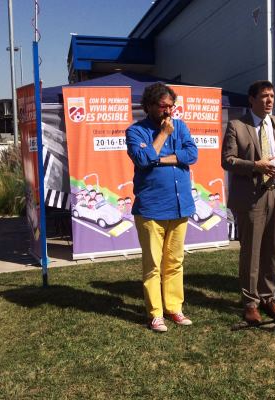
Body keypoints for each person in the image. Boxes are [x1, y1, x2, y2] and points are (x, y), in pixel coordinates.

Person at [221, 80, 275, 324]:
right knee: (252, 252)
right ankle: (250, 303)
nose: (269, 100)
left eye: (272, 96)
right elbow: (228, 160)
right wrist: (256, 166)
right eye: (264, 96)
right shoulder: (237, 126)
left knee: (271, 250)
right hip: (251, 198)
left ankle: (268, 297)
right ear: (252, 99)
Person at [126, 82, 198, 333]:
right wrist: (164, 136)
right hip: (151, 208)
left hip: (180, 206)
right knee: (153, 264)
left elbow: (192, 155)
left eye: (171, 106)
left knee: (175, 261)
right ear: (148, 106)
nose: (168, 111)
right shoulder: (135, 131)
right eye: (163, 106)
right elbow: (143, 159)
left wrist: (160, 159)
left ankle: (174, 308)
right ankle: (155, 314)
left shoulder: (181, 126)